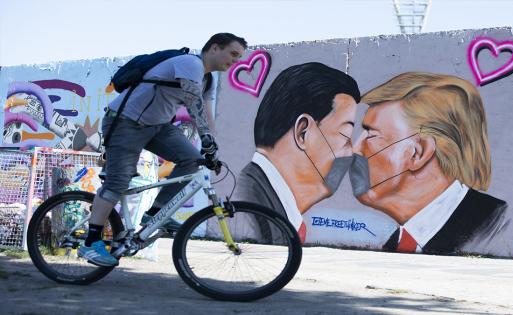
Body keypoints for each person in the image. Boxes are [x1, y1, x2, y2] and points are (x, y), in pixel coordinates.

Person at [79, 33, 247, 266]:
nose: (236, 61)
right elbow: (193, 102)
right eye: (233, 54)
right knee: (118, 182)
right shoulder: (191, 64)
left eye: (239, 57)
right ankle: (91, 242)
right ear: (215, 48)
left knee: (192, 160)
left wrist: (212, 147)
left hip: (157, 126)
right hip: (126, 122)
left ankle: (157, 214)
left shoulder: (209, 80)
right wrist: (204, 137)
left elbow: (207, 116)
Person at [350, 72, 508, 255]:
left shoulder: (495, 225)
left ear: (419, 152)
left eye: (371, 134)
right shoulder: (403, 241)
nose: (355, 149)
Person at [234, 62, 360, 243]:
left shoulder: (269, 207)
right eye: (346, 135)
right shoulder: (250, 214)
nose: (351, 153)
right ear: (303, 132)